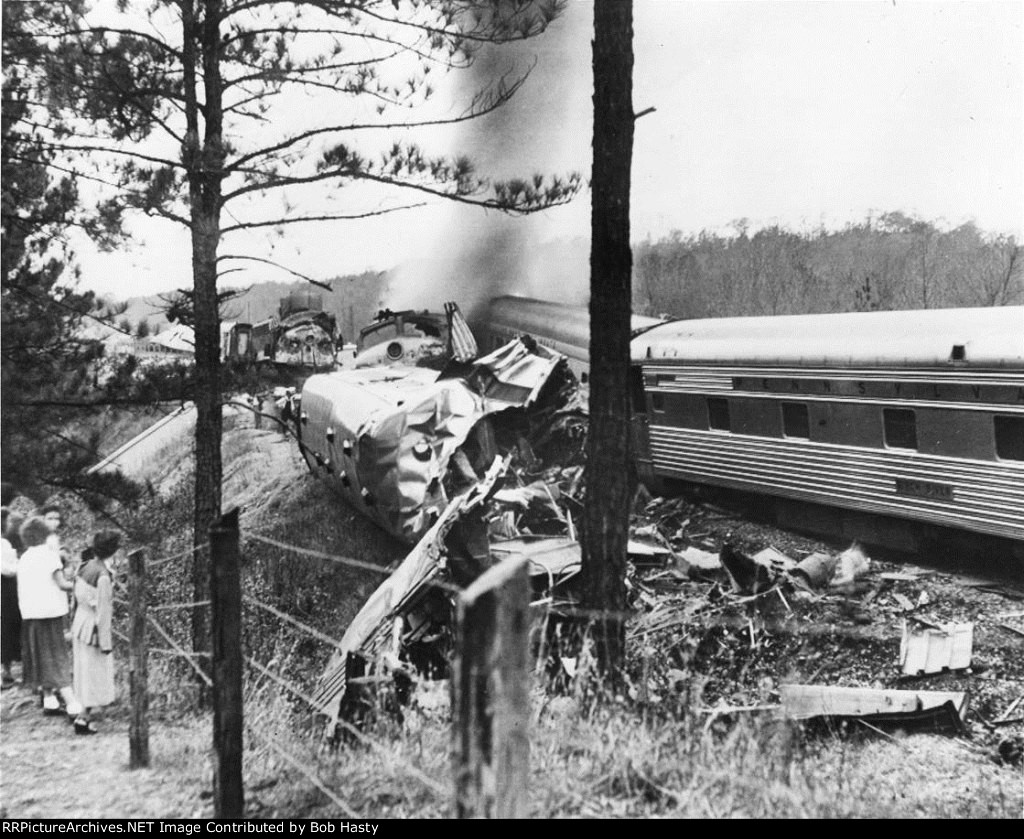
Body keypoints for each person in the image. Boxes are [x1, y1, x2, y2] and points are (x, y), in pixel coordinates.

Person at [16, 515, 83, 718]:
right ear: (45, 535)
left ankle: (49, 700)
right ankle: (73, 705)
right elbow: (62, 584)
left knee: (40, 656)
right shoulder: (50, 556)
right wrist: (82, 586)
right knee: (56, 657)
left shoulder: (25, 557)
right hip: (50, 613)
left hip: (30, 615)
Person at [71, 531, 120, 735]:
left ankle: (83, 714)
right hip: (92, 629)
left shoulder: (85, 566)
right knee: (92, 674)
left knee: (83, 672)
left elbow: (75, 596)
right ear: (113, 550)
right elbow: (103, 612)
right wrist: (105, 642)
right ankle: (83, 718)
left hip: (80, 623)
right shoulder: (102, 576)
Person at [1, 508, 22, 688]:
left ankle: (6, 672)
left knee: (6, 629)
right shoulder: (2, 544)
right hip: (5, 589)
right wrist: (18, 564)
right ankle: (3, 673)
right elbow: (7, 570)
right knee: (5, 628)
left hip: (6, 589)